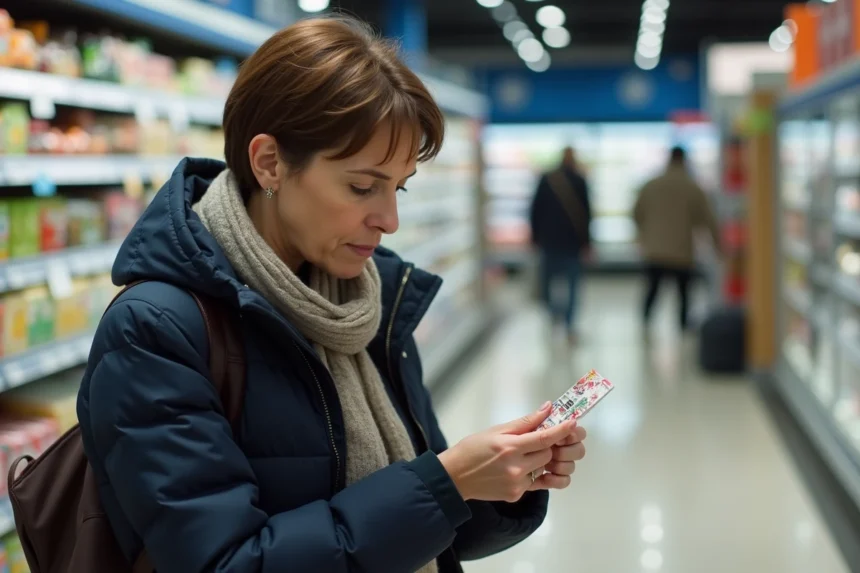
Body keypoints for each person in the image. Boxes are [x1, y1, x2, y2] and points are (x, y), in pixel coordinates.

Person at [75, 17, 588, 573]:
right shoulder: (155, 332)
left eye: (398, 188)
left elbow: (424, 523)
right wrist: (446, 481)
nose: (389, 220)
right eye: (362, 187)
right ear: (269, 162)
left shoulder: (369, 306)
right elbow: (225, 563)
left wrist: (498, 479)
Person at [633, 145, 721, 332]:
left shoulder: (651, 184)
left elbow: (636, 213)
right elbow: (707, 219)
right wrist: (718, 245)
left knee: (652, 289)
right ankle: (682, 327)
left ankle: (645, 322)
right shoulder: (692, 187)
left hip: (654, 249)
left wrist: (642, 236)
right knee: (683, 294)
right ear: (684, 161)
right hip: (682, 250)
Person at [529, 146, 593, 342]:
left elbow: (535, 210)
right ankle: (569, 323)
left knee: (548, 283)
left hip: (549, 242)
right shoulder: (580, 181)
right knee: (573, 286)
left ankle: (554, 313)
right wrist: (587, 243)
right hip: (572, 243)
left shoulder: (547, 179)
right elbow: (587, 215)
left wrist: (534, 237)